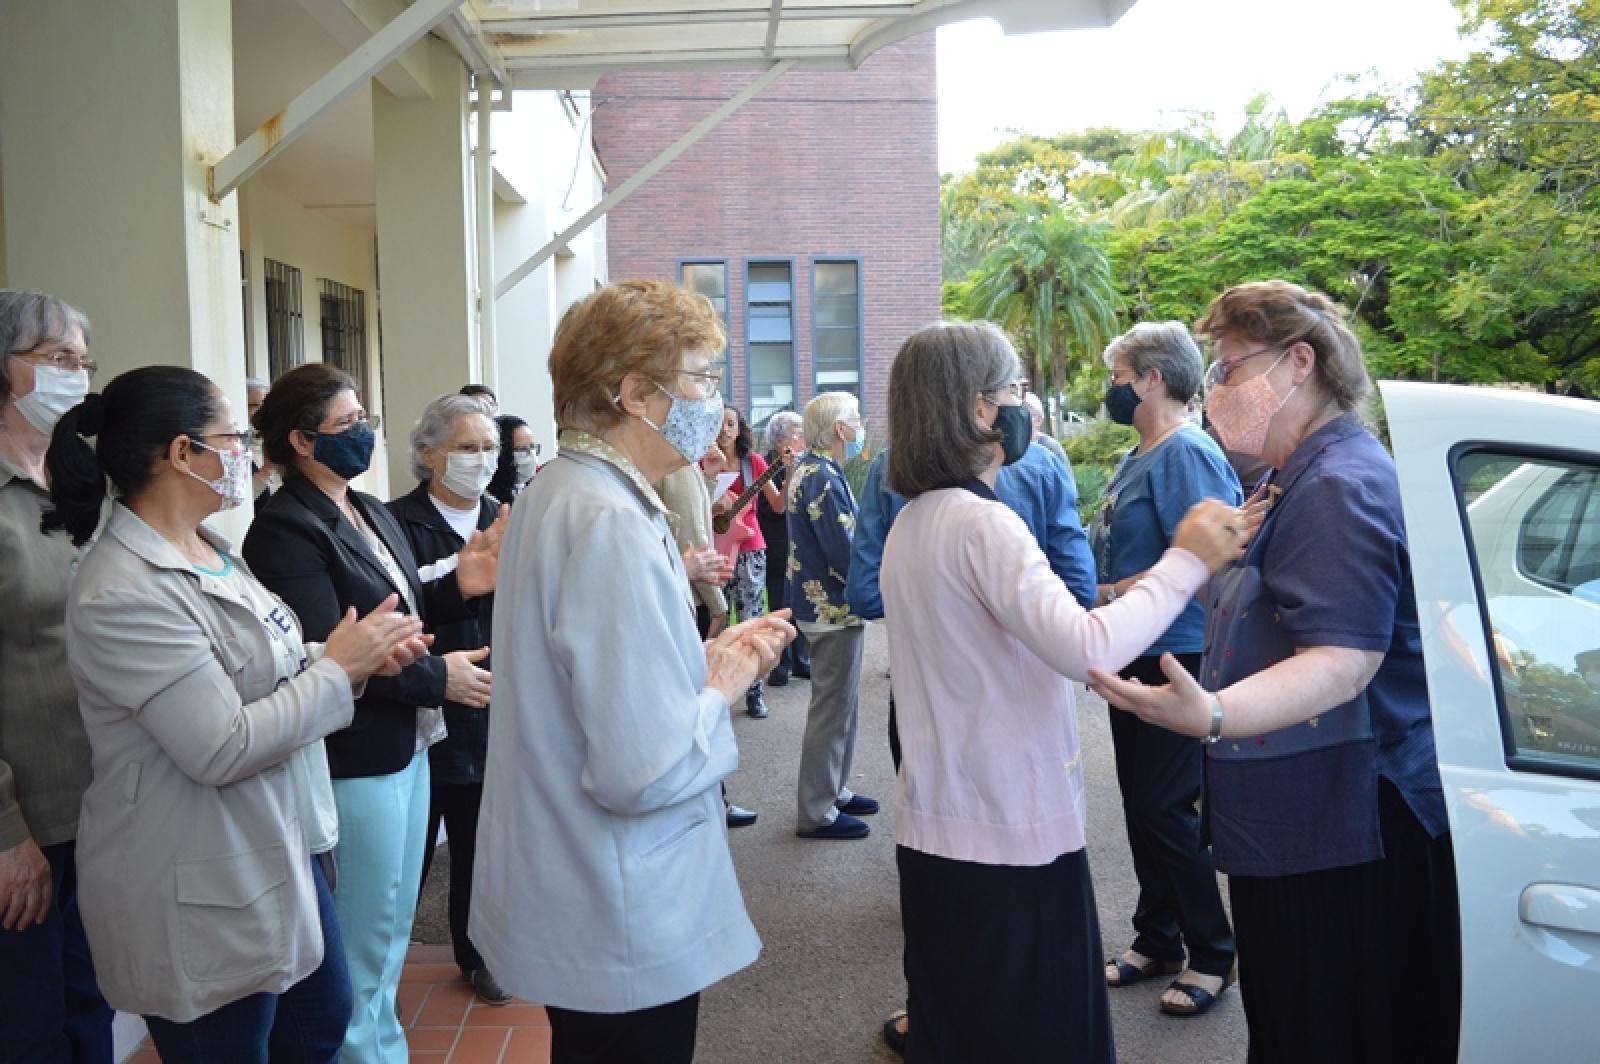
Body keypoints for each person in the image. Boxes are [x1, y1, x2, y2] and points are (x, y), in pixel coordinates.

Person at [1091, 280, 1461, 1063]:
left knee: (1323, 1028)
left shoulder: (1337, 484)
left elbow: (1342, 661)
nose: (1215, 390)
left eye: (1228, 369)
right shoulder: (1291, 476)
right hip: (1309, 820)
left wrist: (1211, 715)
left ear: (1300, 364)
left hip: (1344, 830)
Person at [879, 321, 1249, 1064]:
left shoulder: (914, 522)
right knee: (1039, 1028)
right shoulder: (986, 526)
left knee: (962, 1019)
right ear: (981, 411)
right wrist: (1186, 562)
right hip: (1008, 830)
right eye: (1013, 390)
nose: (1022, 406)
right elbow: (1088, 648)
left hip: (939, 823)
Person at [46, 365, 428, 1062]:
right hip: (194, 870)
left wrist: (355, 657)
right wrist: (338, 670)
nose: (246, 457)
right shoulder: (123, 590)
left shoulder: (212, 549)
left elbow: (263, 670)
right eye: (229, 438)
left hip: (273, 844)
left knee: (320, 1021)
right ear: (181, 453)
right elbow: (219, 746)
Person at [470, 280, 792, 1064]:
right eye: (700, 381)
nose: (712, 403)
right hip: (616, 897)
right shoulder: (606, 516)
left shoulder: (569, 489)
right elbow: (639, 768)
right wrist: (724, 678)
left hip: (581, 880)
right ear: (636, 392)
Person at [244, 364, 502, 1064]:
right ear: (301, 441)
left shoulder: (366, 507)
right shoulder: (285, 529)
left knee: (388, 933)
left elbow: (397, 611)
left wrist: (458, 588)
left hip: (408, 745)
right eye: (347, 424)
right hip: (357, 755)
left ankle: (383, 1049)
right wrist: (436, 677)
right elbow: (339, 652)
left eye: (365, 417)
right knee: (361, 939)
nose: (364, 432)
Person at [1088, 321, 1241, 1016]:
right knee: (1143, 807)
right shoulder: (1138, 455)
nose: (1110, 390)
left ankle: (1213, 952)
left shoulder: (1187, 452)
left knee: (1165, 809)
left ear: (1152, 378)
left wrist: (1116, 593)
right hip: (1137, 648)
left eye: (1117, 376)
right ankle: (1159, 938)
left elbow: (1219, 552)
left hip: (1177, 652)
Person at [0, 289, 115, 1063]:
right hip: (28, 824)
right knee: (33, 1031)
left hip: (104, 804)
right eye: (55, 360)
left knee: (92, 1012)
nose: (75, 377)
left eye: (82, 362)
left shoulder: (83, 482)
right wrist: (7, 835)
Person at [388, 395, 513, 1006]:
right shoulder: (393, 523)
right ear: (429, 453)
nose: (482, 460)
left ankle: (478, 953)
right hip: (421, 706)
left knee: (480, 845)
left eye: (489, 448)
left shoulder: (510, 516)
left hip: (495, 705)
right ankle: (380, 968)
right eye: (468, 449)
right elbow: (395, 611)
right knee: (403, 858)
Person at [787, 391, 878, 839]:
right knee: (832, 706)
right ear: (840, 428)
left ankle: (835, 789)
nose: (861, 427)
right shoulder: (822, 475)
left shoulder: (811, 469)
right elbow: (844, 548)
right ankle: (817, 808)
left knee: (841, 704)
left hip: (822, 604)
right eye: (856, 419)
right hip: (832, 607)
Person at [656, 449, 757, 830]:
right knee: (699, 699)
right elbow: (694, 536)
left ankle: (710, 796)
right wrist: (717, 604)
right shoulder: (676, 463)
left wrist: (710, 478)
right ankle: (710, 798)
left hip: (687, 590)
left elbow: (696, 513)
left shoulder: (679, 463)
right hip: (692, 595)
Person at [702, 406, 785, 718]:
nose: (724, 430)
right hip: (715, 549)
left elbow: (777, 505)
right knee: (716, 617)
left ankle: (754, 693)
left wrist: (787, 475)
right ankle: (713, 689)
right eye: (719, 424)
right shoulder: (701, 463)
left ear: (739, 429)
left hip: (750, 549)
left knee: (751, 620)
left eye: (730, 424)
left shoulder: (754, 464)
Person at [756, 410, 809, 687]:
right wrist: (788, 471)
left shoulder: (801, 464)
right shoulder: (767, 466)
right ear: (780, 439)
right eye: (797, 433)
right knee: (779, 605)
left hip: (793, 541)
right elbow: (779, 506)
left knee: (796, 602)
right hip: (774, 544)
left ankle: (800, 661)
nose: (803, 438)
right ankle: (779, 667)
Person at [486, 414, 539, 504]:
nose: (532, 455)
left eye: (533, 447)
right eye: (522, 449)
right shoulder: (487, 502)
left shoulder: (535, 491)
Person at [247, 375, 279, 504]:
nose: (261, 412)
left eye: (265, 406)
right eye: (254, 405)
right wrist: (266, 472)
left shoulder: (274, 440)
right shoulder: (236, 447)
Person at [1023, 390, 1069, 464]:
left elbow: (1065, 474)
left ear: (1039, 420)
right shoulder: (1009, 447)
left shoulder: (1050, 446)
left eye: (1025, 413)